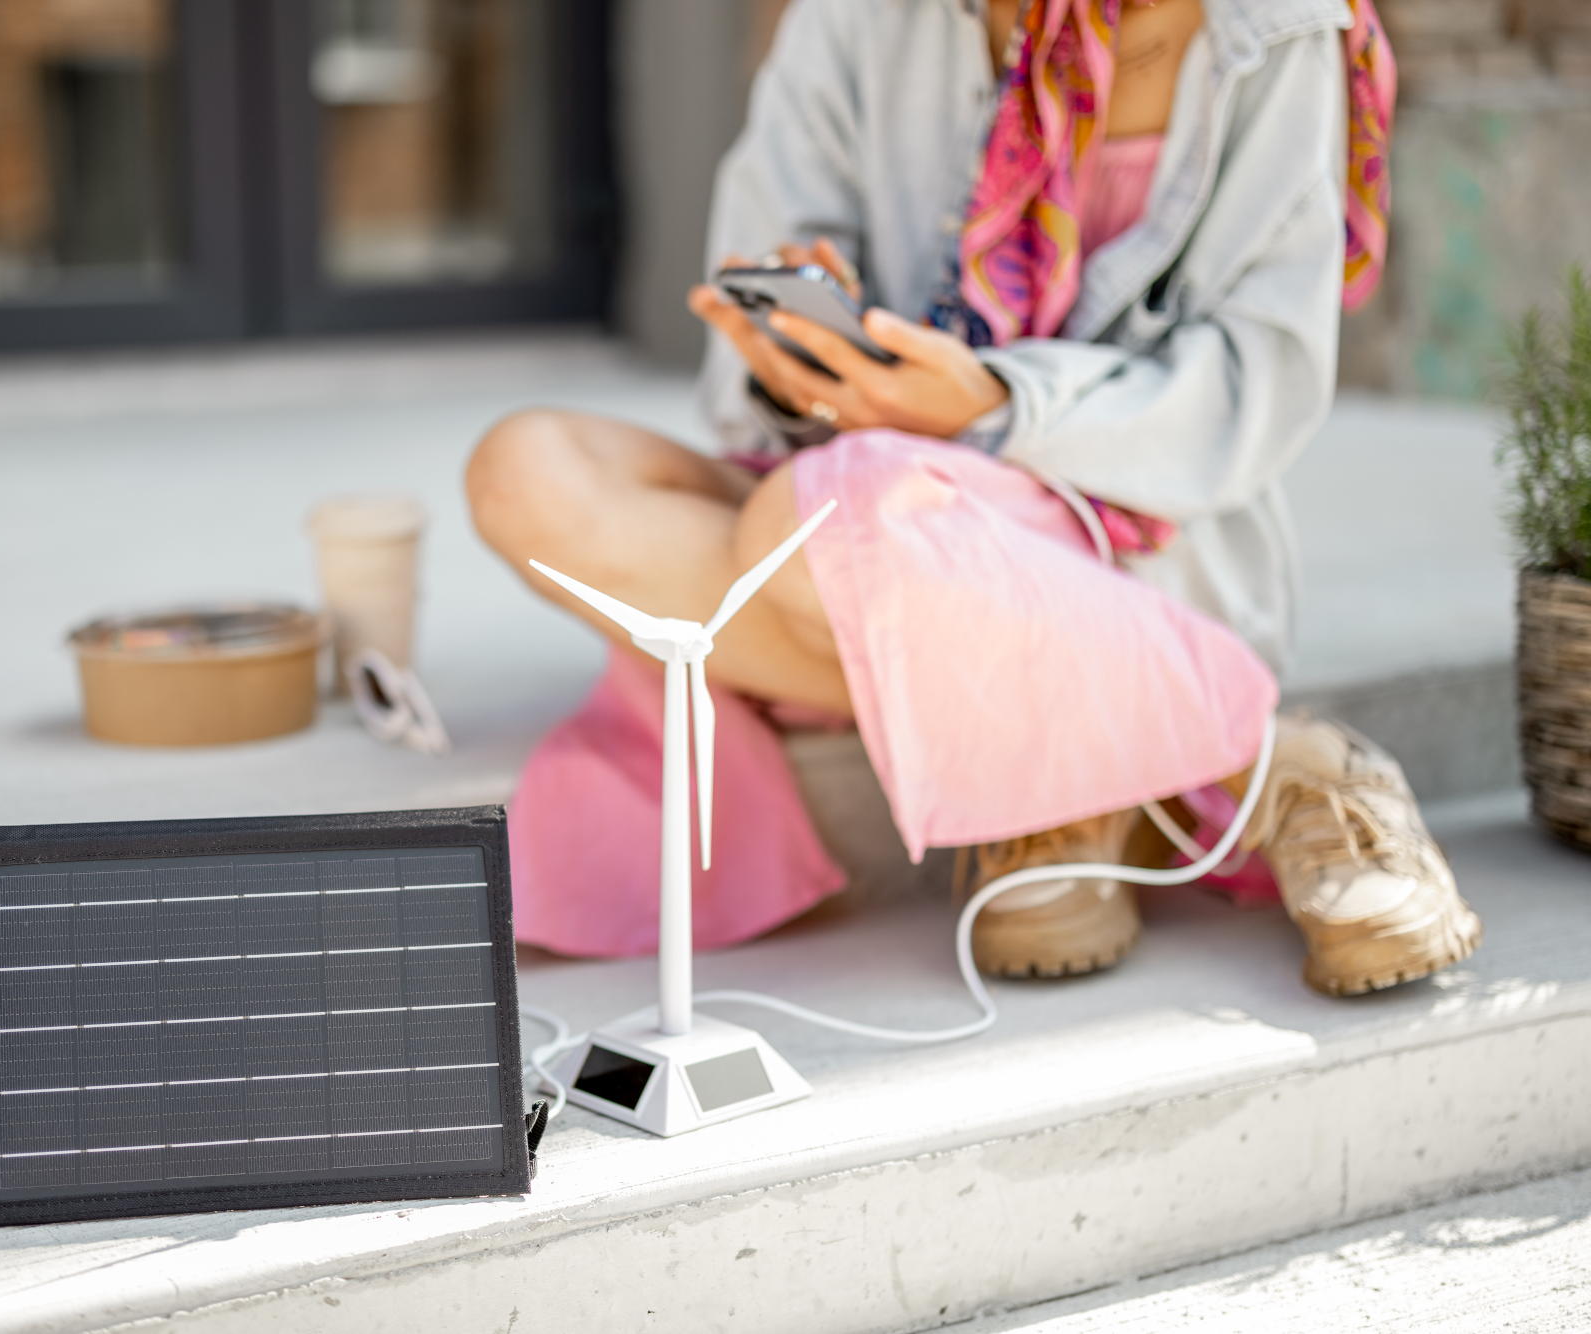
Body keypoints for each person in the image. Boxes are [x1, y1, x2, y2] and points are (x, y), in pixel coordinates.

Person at [466, 0, 1482, 997]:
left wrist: (995, 401)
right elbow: (769, 274)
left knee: (808, 523)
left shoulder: (1272, 27)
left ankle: (1246, 764)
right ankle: (1113, 758)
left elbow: (1251, 387)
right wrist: (800, 363)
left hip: (1114, 524)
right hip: (865, 496)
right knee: (528, 470)